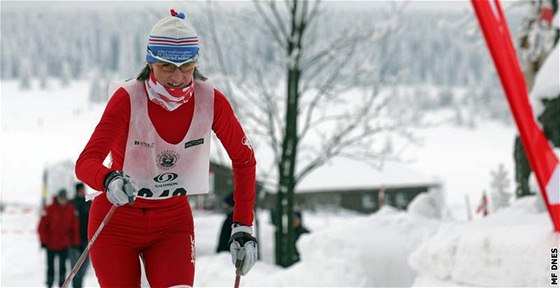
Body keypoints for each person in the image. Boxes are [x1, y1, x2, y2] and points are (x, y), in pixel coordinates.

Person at [75, 9, 258, 287]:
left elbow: (244, 159)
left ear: (196, 62)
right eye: (167, 67)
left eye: (186, 66)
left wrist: (243, 225)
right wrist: (109, 179)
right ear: (150, 62)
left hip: (172, 224)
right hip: (117, 223)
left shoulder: (211, 101)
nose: (177, 77)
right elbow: (86, 162)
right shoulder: (128, 98)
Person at [38, 189, 80, 288]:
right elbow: (42, 226)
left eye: (64, 199)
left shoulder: (70, 209)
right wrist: (43, 241)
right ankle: (49, 283)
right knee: (50, 266)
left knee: (62, 266)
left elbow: (74, 227)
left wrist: (75, 241)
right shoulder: (49, 209)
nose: (63, 201)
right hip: (50, 244)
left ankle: (62, 284)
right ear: (58, 198)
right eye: (61, 199)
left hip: (64, 244)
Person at [69, 182, 91, 288]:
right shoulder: (72, 204)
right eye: (81, 190)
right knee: (75, 270)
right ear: (77, 191)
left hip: (87, 240)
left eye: (84, 190)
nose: (83, 192)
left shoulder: (89, 203)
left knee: (83, 269)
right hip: (74, 242)